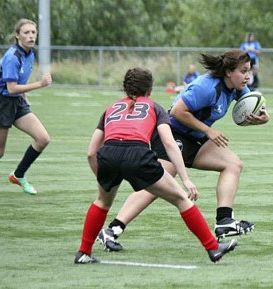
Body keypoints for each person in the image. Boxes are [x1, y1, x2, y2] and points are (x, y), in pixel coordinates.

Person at [97, 50, 270, 252]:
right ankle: (112, 229)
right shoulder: (206, 86)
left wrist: (264, 118)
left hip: (196, 138)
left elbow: (256, 105)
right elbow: (178, 112)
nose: (248, 76)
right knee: (159, 182)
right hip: (172, 133)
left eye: (248, 71)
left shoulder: (237, 87)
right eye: (243, 71)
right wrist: (208, 130)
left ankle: (224, 221)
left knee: (233, 164)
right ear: (228, 72)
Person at [74, 67, 238, 264]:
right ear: (149, 90)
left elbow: (91, 152)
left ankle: (84, 252)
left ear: (126, 89)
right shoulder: (155, 107)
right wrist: (185, 179)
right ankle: (213, 248)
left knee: (102, 202)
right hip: (137, 154)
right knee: (181, 199)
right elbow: (169, 143)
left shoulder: (110, 109)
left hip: (108, 154)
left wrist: (101, 175)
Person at [0, 19, 52, 194]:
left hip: (17, 102)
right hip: (2, 104)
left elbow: (19, 82)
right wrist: (40, 84)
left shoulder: (30, 53)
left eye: (33, 32)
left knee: (43, 139)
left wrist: (24, 97)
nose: (31, 36)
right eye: (26, 33)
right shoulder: (12, 57)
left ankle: (18, 175)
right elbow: (11, 88)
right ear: (17, 35)